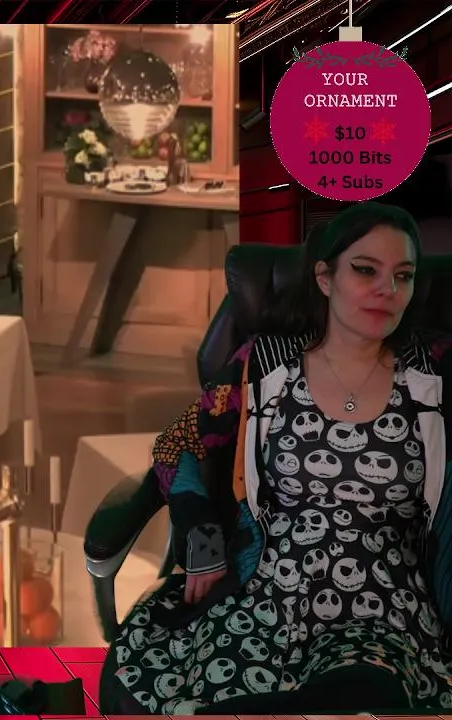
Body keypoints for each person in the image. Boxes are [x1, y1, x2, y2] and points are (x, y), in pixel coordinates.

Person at [102, 203, 452, 714]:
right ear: (325, 278)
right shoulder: (265, 367)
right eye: (365, 270)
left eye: (404, 276)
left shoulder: (435, 372)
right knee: (230, 691)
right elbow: (179, 442)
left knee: (367, 689)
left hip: (388, 605)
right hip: (271, 593)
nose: (388, 289)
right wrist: (200, 530)